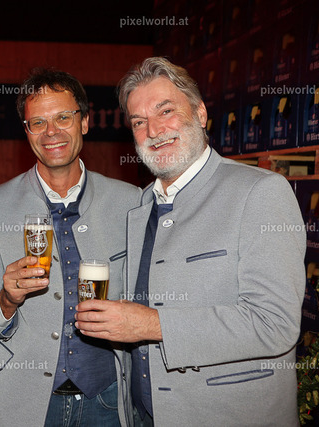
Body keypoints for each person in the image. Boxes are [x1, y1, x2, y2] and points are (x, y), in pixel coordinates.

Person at [75, 57, 306, 426]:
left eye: (165, 111)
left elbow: (274, 323)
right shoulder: (141, 207)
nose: (154, 130)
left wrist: (152, 325)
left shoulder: (260, 192)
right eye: (139, 122)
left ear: (200, 113)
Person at [0, 68, 141, 426]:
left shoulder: (131, 202)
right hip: (21, 402)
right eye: (38, 122)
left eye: (63, 117)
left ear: (85, 122)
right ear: (26, 131)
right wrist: (6, 300)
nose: (51, 131)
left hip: (109, 399)